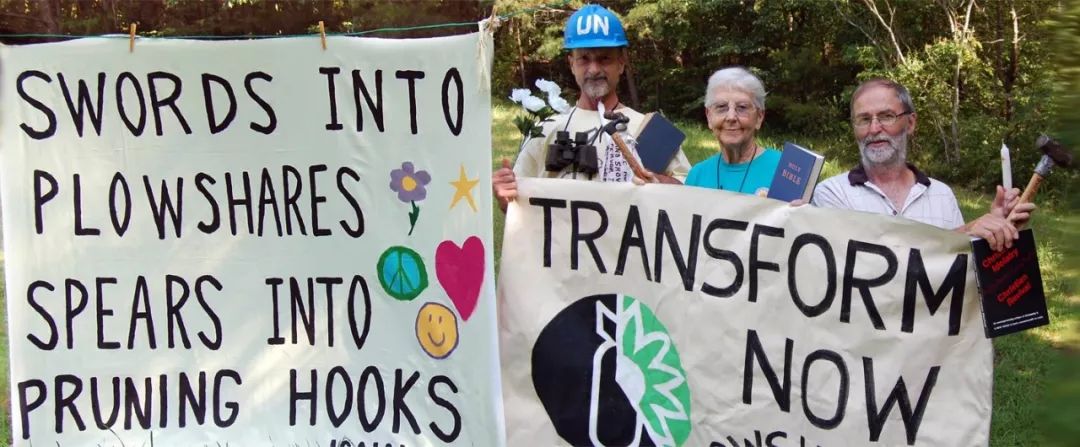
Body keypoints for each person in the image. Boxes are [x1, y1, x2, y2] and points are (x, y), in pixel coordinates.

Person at [492, 4, 691, 212]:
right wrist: (505, 195)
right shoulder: (544, 129)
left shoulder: (653, 131)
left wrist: (658, 184)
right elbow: (516, 208)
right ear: (571, 64)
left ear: (621, 63)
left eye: (604, 59)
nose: (594, 69)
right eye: (584, 59)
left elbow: (693, 197)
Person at [812, 78, 1034, 251]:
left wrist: (993, 236)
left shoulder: (942, 195)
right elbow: (869, 265)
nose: (874, 128)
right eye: (864, 119)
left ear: (910, 123)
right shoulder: (832, 194)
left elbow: (958, 272)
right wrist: (965, 232)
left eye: (886, 116)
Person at [685, 67, 781, 195]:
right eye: (721, 107)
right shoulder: (697, 176)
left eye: (742, 107)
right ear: (709, 116)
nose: (731, 117)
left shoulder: (784, 171)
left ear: (759, 117)